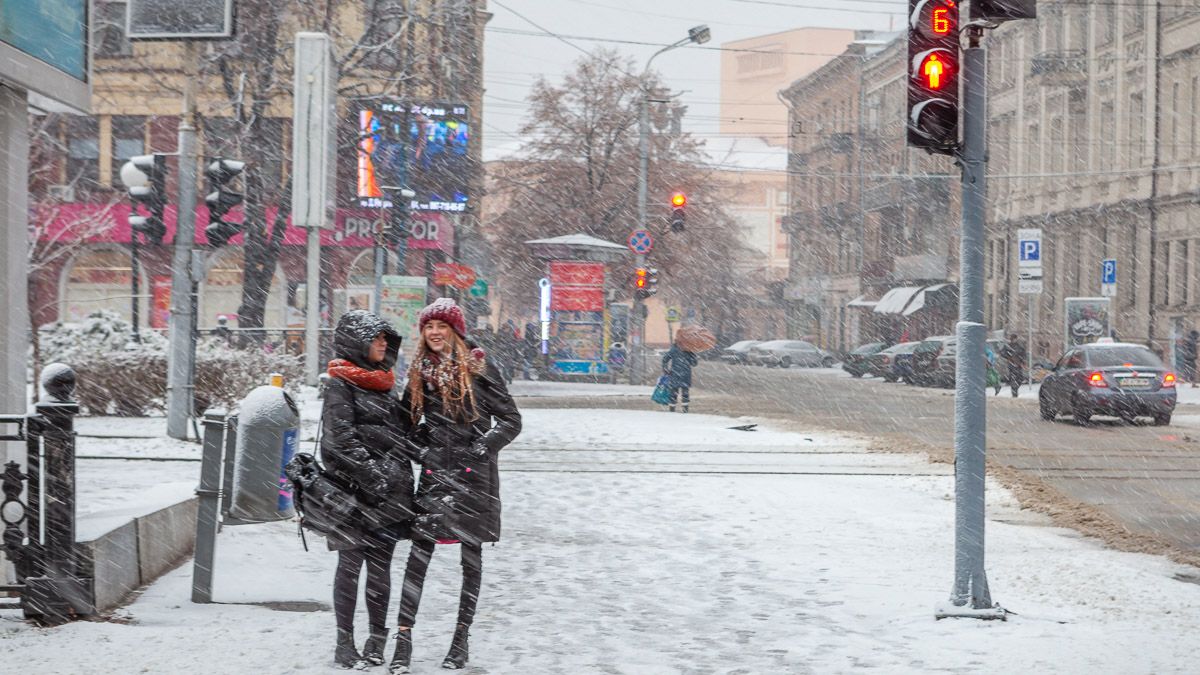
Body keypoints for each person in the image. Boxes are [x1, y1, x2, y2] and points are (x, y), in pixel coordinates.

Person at [392, 298, 522, 673]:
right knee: (418, 558)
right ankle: (403, 638)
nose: (434, 333)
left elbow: (511, 420)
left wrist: (480, 449)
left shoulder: (479, 368)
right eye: (428, 327)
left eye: (441, 326)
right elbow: (405, 425)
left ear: (455, 331)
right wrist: (423, 450)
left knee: (471, 559)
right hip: (434, 478)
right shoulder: (419, 371)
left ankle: (460, 639)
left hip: (474, 479)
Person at [321, 310, 415, 669]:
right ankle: (344, 641)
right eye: (376, 338)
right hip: (352, 493)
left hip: (387, 492)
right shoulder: (340, 384)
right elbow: (340, 439)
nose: (382, 344)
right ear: (355, 342)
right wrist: (373, 476)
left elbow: (398, 434)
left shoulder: (385, 381)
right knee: (350, 566)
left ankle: (376, 640)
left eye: (385, 338)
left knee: (380, 569)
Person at [661, 342, 699, 413]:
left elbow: (665, 359)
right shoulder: (689, 350)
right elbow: (694, 363)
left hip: (675, 373)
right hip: (685, 374)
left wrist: (665, 369)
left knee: (673, 393)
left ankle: (672, 410)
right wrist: (693, 355)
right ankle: (685, 410)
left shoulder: (674, 349)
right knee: (685, 393)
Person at [1000, 332, 1027, 398]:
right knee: (1013, 378)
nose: (1013, 340)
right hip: (1011, 364)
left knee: (1020, 378)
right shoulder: (1008, 346)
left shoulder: (1019, 346)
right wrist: (1008, 357)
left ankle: (1015, 389)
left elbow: (1023, 354)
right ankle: (1014, 392)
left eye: (1014, 338)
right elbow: (1002, 353)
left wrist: (1023, 361)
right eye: (1012, 339)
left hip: (1018, 365)